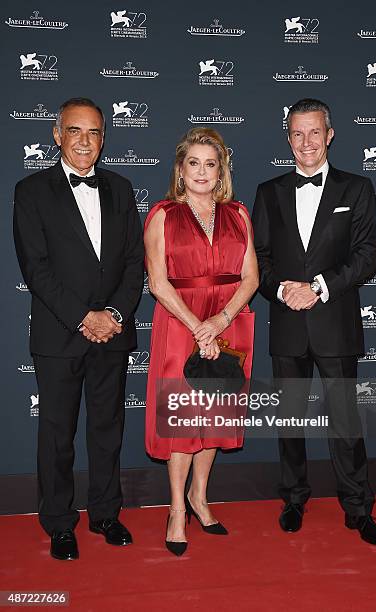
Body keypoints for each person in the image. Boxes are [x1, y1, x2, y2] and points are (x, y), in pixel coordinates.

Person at [252, 98, 376, 546]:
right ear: (288, 138)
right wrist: (283, 289)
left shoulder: (358, 188)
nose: (306, 142)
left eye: (314, 132)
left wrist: (321, 287)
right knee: (290, 422)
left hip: (335, 323)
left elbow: (368, 255)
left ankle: (358, 508)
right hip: (287, 324)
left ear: (329, 135)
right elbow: (259, 261)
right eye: (297, 133)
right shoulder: (268, 192)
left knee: (346, 423)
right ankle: (293, 499)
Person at [13, 97, 144, 560]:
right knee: (56, 433)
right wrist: (83, 316)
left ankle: (106, 514)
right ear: (57, 133)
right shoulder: (31, 191)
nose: (85, 141)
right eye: (75, 131)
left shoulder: (122, 188)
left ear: (103, 137)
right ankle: (59, 522)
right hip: (59, 334)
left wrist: (115, 315)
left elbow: (134, 263)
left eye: (93, 132)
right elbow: (36, 267)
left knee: (107, 428)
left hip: (113, 330)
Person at [144, 127, 258, 555]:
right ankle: (176, 510)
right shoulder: (162, 216)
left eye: (211, 163)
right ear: (180, 168)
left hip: (230, 321)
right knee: (182, 418)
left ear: (221, 170)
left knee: (216, 416)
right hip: (180, 323)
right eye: (194, 162)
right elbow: (158, 282)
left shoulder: (239, 214)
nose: (202, 171)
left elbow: (252, 277)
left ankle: (200, 497)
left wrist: (222, 319)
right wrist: (198, 326)